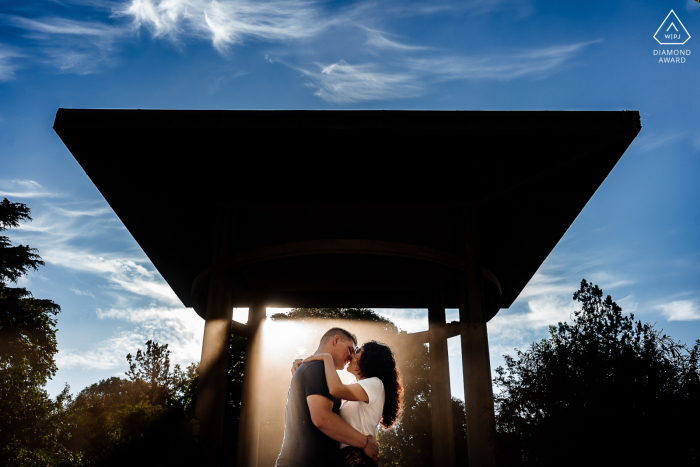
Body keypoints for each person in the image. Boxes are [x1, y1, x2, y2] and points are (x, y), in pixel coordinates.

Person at [276, 328, 379, 467]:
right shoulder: (316, 368)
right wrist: (365, 442)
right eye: (350, 349)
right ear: (336, 340)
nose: (351, 356)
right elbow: (322, 419)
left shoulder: (311, 369)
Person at [297, 340, 404, 466]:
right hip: (348, 455)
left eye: (357, 351)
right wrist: (300, 374)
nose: (351, 355)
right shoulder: (360, 391)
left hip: (357, 456)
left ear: (369, 359)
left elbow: (335, 389)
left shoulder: (375, 383)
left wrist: (327, 358)